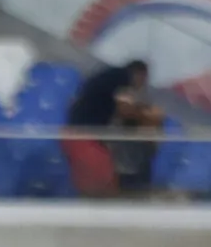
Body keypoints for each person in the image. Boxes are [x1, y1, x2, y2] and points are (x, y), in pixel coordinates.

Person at [63, 59, 148, 197]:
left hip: (76, 133)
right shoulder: (122, 78)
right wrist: (144, 113)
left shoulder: (107, 77)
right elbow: (126, 107)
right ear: (139, 73)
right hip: (84, 135)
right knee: (101, 184)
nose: (142, 85)